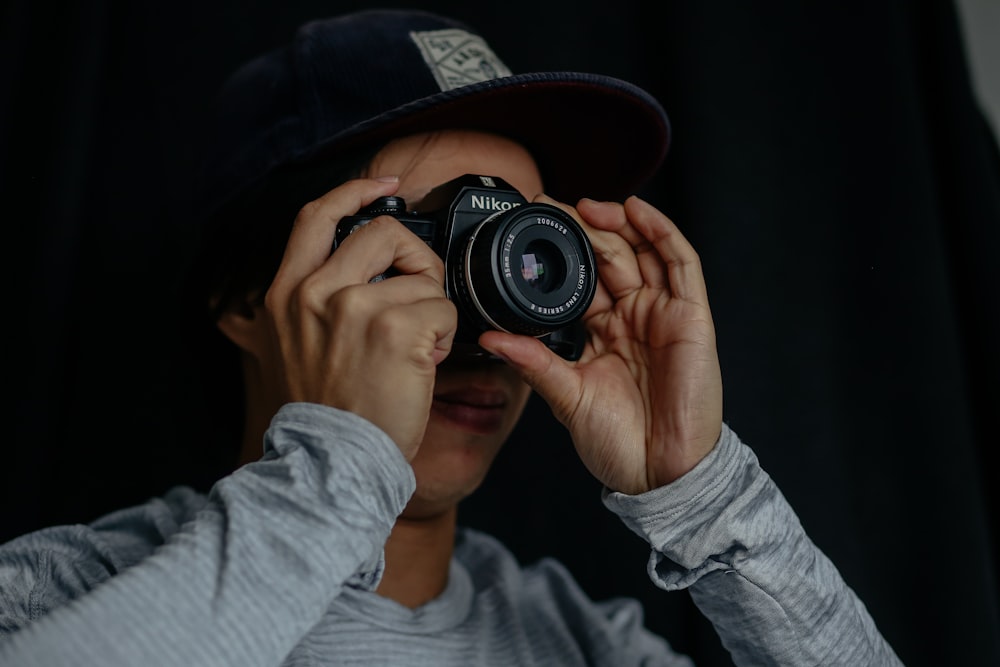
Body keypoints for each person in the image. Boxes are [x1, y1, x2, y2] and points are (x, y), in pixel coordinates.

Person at [0, 8, 903, 666]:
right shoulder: (61, 590)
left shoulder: (586, 643)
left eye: (524, 247)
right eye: (425, 246)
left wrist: (702, 493)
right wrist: (335, 475)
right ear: (247, 297)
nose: (475, 323)